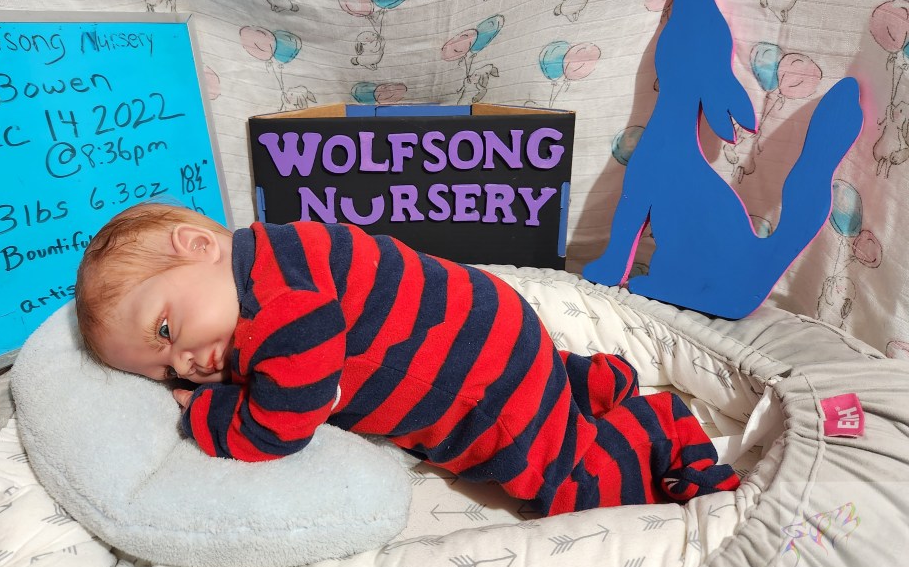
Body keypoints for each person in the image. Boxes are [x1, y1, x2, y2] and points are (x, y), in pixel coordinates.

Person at [75, 202, 739, 515]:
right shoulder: (277, 252)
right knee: (538, 392)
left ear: (198, 246)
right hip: (497, 329)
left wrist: (207, 415)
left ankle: (657, 431)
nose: (186, 365)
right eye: (164, 371)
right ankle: (580, 385)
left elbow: (282, 423)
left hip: (483, 386)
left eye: (167, 330)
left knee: (556, 482)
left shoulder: (281, 305)